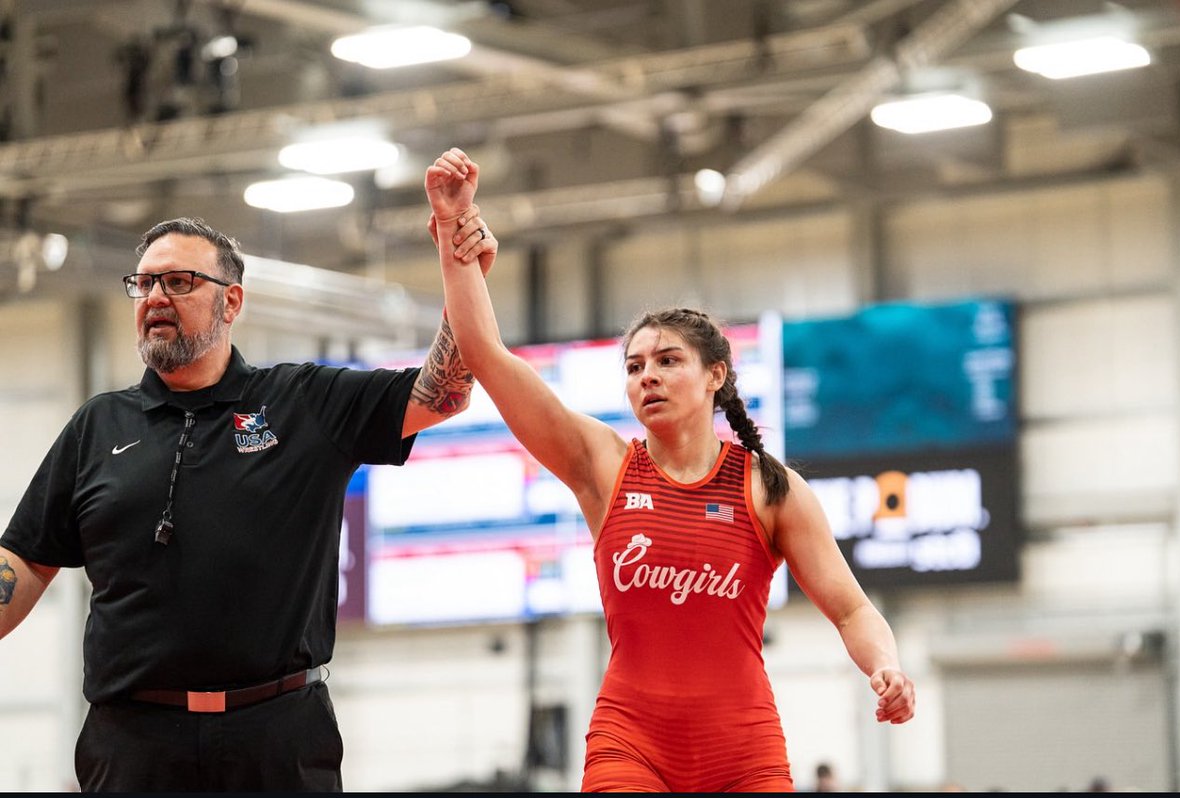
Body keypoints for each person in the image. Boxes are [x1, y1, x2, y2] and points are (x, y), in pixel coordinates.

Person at [425, 148, 916, 793]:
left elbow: (852, 612)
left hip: (745, 751)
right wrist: (452, 236)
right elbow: (485, 356)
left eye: (667, 360)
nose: (647, 375)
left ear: (716, 375)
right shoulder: (602, 465)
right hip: (631, 745)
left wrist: (887, 666)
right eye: (633, 367)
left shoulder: (769, 488)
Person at [0, 214, 496, 791]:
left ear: (230, 302)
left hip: (278, 741)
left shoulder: (302, 403)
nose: (156, 296)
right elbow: (25, 560)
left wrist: (460, 272)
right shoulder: (96, 426)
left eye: (179, 282)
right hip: (133, 747)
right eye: (144, 283)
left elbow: (444, 393)